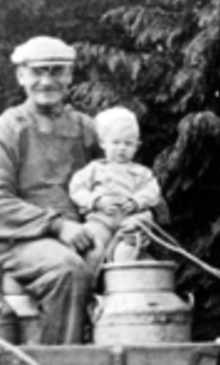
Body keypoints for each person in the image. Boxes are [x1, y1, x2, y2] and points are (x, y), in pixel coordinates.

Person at [0, 35, 99, 345]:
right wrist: (56, 225)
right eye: (38, 71)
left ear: (69, 76)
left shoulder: (86, 128)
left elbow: (114, 177)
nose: (47, 80)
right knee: (68, 271)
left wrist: (126, 212)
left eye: (57, 71)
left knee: (135, 270)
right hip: (19, 239)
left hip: (80, 234)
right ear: (21, 76)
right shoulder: (5, 130)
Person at [69, 106, 165, 264]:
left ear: (136, 146)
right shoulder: (94, 169)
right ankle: (91, 281)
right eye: (116, 142)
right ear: (103, 143)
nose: (122, 148)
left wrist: (136, 202)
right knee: (92, 245)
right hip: (101, 221)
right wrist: (96, 201)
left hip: (129, 222)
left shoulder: (141, 172)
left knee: (131, 242)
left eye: (128, 144)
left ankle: (122, 266)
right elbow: (77, 189)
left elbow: (152, 191)